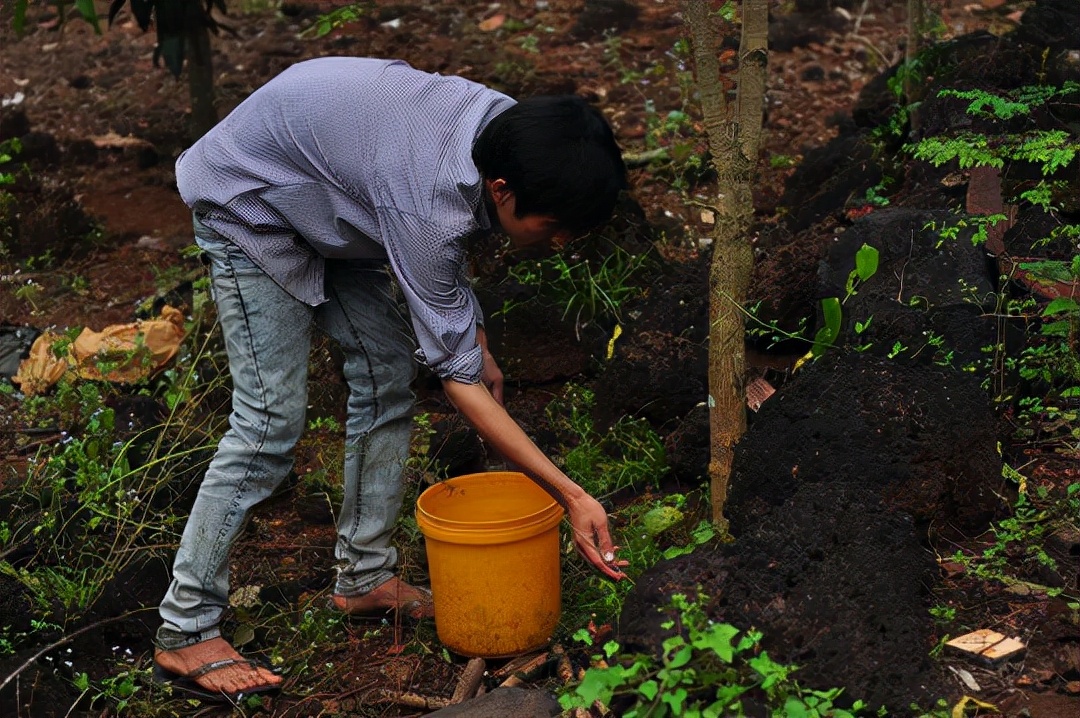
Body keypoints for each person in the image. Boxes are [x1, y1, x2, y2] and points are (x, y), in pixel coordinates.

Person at [151, 56, 630, 702]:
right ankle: (185, 627)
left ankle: (363, 577)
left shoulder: (506, 130)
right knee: (269, 422)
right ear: (503, 190)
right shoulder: (428, 198)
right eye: (552, 229)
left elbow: (445, 264)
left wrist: (472, 336)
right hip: (252, 202)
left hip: (335, 200)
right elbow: (455, 365)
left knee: (385, 378)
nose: (561, 244)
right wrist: (571, 496)